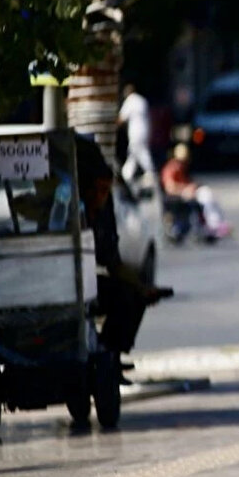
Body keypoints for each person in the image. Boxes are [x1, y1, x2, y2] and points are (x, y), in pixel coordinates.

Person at [74, 135, 171, 379]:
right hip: (61, 287)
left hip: (86, 287)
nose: (102, 196)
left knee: (131, 295)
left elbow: (113, 263)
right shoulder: (69, 210)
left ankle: (109, 357)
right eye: (97, 190)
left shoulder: (104, 215)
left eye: (106, 191)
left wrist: (142, 287)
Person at [161, 143, 230, 241]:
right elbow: (170, 188)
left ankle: (214, 224)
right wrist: (186, 189)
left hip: (187, 193)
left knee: (208, 196)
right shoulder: (172, 168)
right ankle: (213, 224)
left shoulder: (181, 168)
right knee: (205, 196)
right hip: (177, 195)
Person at [118, 84, 155, 182]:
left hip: (135, 133)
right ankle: (126, 175)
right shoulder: (142, 100)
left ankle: (150, 172)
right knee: (133, 154)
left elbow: (121, 118)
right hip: (145, 131)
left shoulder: (130, 101)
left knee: (141, 152)